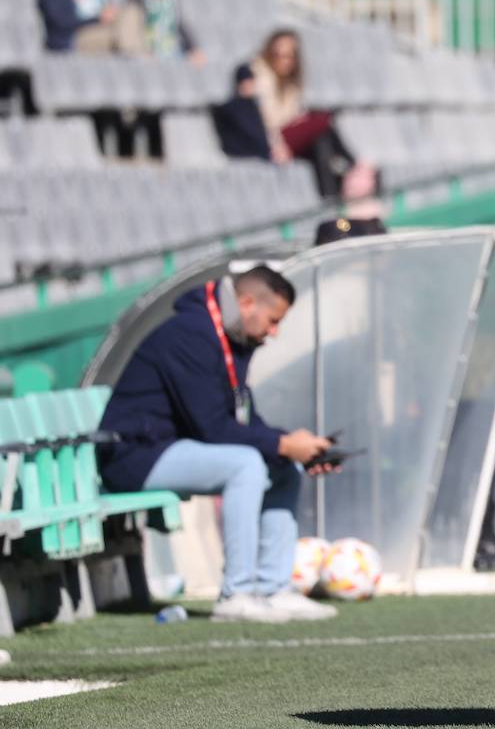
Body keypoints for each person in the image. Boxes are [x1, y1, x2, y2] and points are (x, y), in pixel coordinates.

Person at [96, 266, 340, 624]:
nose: (274, 333)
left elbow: (242, 420)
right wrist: (284, 443)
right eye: (273, 321)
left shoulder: (231, 338)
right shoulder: (190, 334)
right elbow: (213, 428)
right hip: (134, 455)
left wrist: (294, 447)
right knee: (246, 464)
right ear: (246, 303)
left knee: (283, 467)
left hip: (172, 447)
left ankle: (273, 588)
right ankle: (236, 594)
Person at [248, 29, 374, 198]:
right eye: (279, 55)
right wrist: (277, 145)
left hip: (287, 135)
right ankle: (354, 164)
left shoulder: (289, 83)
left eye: (290, 56)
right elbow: (262, 120)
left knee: (320, 143)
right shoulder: (261, 78)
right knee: (322, 119)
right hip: (274, 140)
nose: (284, 61)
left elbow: (291, 115)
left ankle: (331, 196)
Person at [124, 0, 204, 63]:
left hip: (171, 51)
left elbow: (180, 24)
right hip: (147, 50)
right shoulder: (138, 1)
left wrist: (194, 48)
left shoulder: (170, 1)